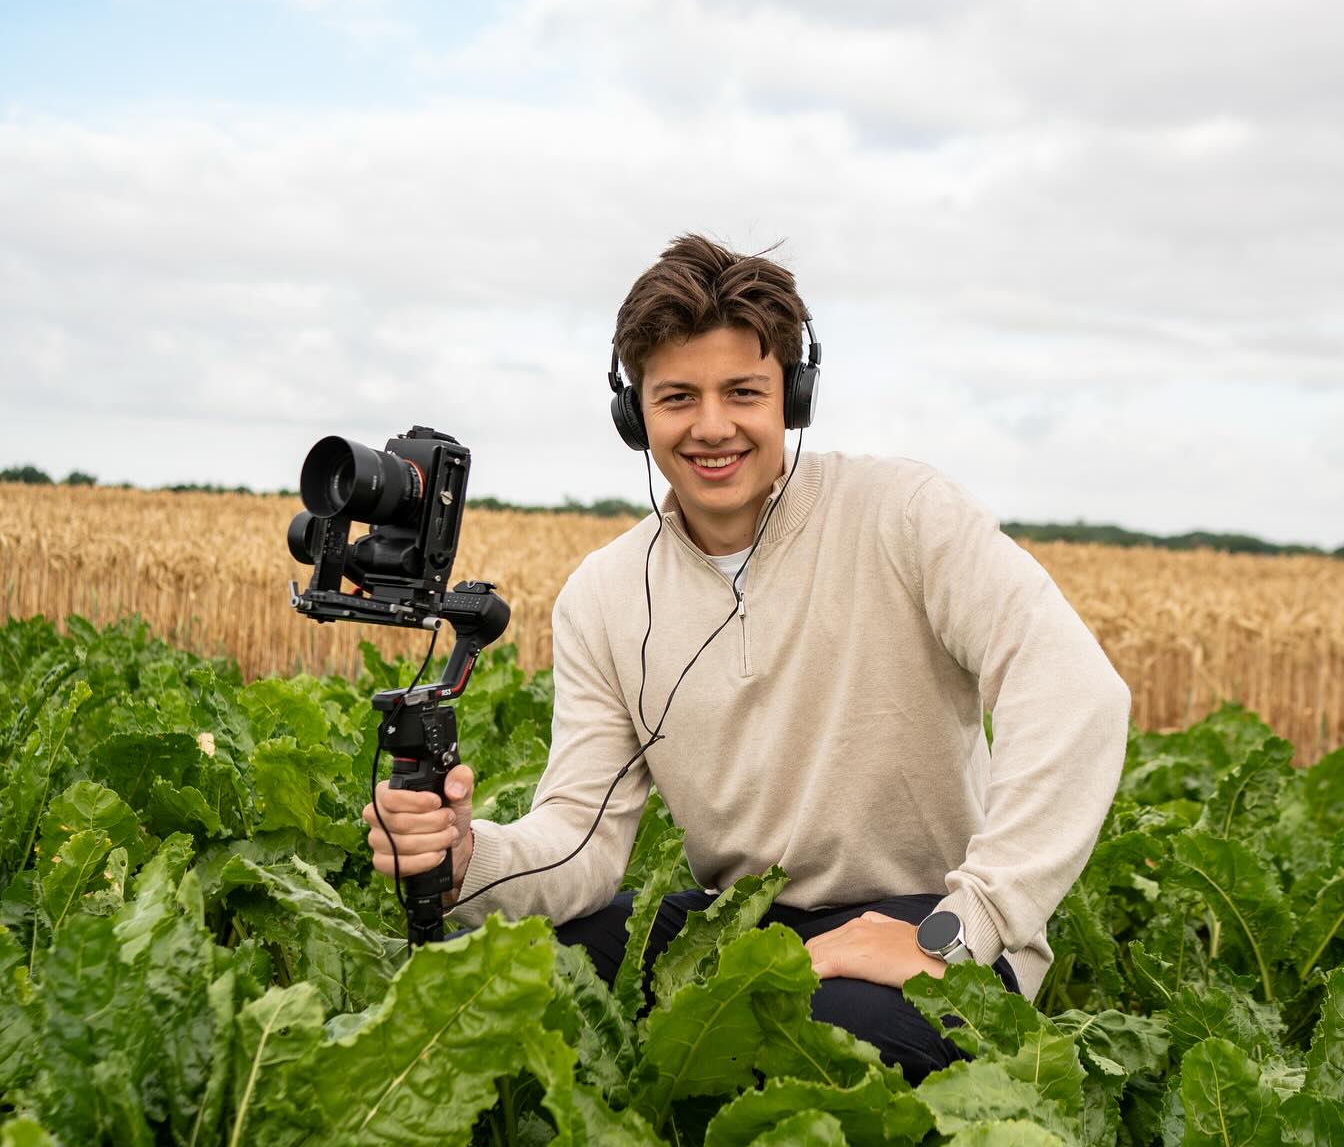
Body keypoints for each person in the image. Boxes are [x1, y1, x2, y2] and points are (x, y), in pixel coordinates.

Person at [364, 235, 1130, 1084]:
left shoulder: (905, 515)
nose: (712, 426)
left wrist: (966, 921)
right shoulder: (605, 594)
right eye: (678, 396)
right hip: (738, 927)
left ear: (792, 399)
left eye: (743, 392)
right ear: (635, 415)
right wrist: (472, 857)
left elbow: (1076, 691)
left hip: (929, 917)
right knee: (527, 978)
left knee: (819, 1039)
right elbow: (579, 842)